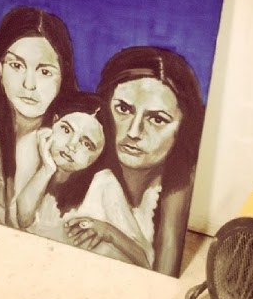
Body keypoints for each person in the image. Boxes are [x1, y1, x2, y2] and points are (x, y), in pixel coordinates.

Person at [67, 46, 205, 276]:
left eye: (157, 119)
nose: (133, 132)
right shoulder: (79, 161)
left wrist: (113, 235)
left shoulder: (179, 183)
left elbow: (164, 273)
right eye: (123, 109)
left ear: (183, 128)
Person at [0, 6, 79, 225]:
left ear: (63, 76)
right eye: (16, 65)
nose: (29, 84)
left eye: (45, 72)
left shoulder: (73, 143)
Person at [10, 93, 110, 244]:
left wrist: (109, 231)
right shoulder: (30, 145)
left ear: (100, 154)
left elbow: (140, 254)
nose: (71, 145)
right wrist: (47, 169)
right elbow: (23, 219)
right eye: (66, 130)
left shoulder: (104, 182)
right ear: (54, 122)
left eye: (86, 144)